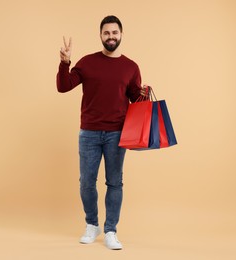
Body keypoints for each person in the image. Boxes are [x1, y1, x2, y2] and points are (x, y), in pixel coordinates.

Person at [56, 15, 148, 250]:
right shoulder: (87, 62)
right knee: (86, 182)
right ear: (100, 35)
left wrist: (144, 93)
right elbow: (63, 87)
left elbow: (135, 98)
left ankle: (110, 230)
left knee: (114, 182)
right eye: (106, 33)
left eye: (114, 33)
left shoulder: (131, 67)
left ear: (121, 35)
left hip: (118, 134)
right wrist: (65, 63)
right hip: (89, 132)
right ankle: (92, 224)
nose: (111, 37)